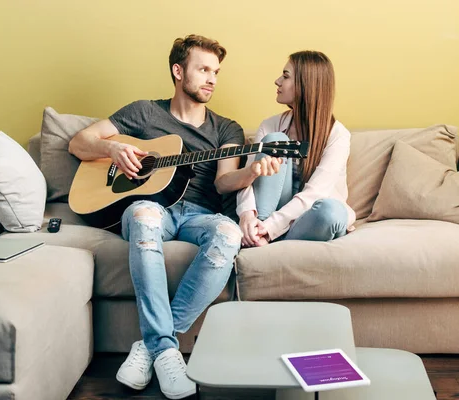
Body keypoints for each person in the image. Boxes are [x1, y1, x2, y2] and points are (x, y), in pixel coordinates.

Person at [68, 35, 279, 399]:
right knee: (146, 213)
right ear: (178, 71)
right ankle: (168, 351)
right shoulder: (144, 113)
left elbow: (225, 180)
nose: (212, 78)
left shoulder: (225, 128)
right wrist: (112, 147)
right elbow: (78, 143)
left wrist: (252, 173)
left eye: (216, 71)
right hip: (152, 209)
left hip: (200, 215)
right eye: (203, 69)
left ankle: (153, 347)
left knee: (228, 235)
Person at [236, 51, 357, 247]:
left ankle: (267, 239)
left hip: (305, 221)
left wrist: (270, 228)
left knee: (332, 212)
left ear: (305, 84)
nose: (277, 81)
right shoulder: (270, 125)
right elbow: (247, 178)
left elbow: (316, 193)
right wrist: (247, 216)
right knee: (276, 140)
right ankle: (260, 240)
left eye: (285, 76)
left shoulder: (337, 134)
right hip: (266, 217)